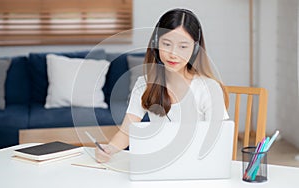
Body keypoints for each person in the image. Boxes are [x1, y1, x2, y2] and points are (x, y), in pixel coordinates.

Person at [95, 8, 229, 163]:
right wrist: (109, 150)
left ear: (195, 49)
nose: (173, 53)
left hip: (197, 165)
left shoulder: (208, 88)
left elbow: (218, 141)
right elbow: (126, 133)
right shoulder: (144, 84)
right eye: (166, 44)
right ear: (156, 43)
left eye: (183, 46)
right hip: (160, 164)